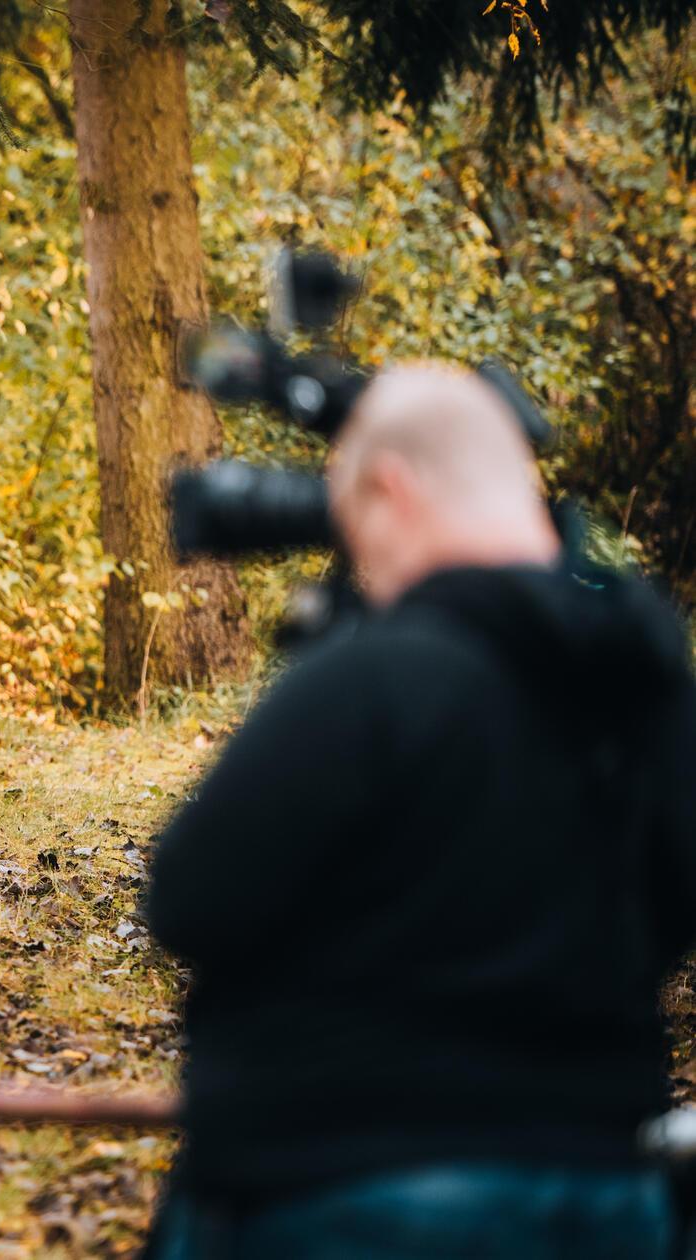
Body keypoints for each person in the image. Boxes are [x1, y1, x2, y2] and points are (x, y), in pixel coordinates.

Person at [144, 363, 696, 1258]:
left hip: (347, 1180)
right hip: (602, 1184)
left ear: (392, 490)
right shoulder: (647, 681)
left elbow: (191, 899)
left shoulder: (373, 680)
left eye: (355, 524)